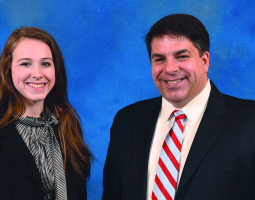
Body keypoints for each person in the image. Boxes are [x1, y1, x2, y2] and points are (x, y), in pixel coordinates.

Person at [102, 14, 255, 200]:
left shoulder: (249, 121)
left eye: (181, 56)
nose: (170, 68)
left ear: (204, 61)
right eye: (159, 59)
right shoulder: (126, 121)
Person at [0, 27, 93, 200]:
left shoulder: (69, 128)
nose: (38, 74)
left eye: (46, 63)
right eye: (26, 63)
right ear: (8, 70)